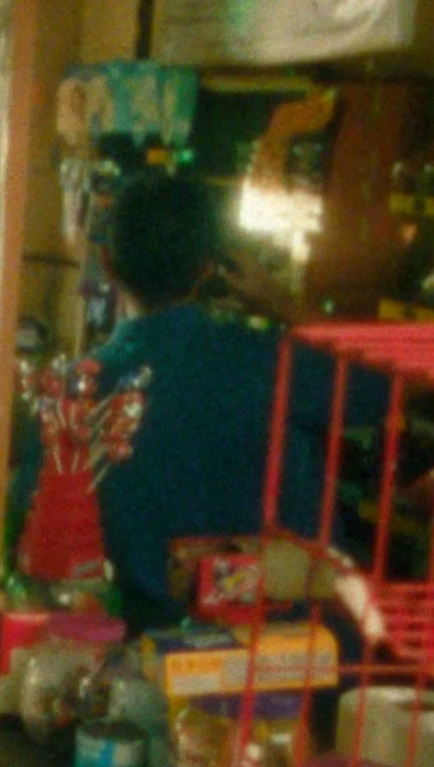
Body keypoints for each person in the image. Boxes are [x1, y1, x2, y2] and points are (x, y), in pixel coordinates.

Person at [78, 175, 381, 628]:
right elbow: (385, 379)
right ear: (209, 269)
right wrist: (280, 302)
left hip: (143, 662)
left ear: (107, 263)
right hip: (285, 662)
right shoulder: (273, 362)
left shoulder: (80, 389)